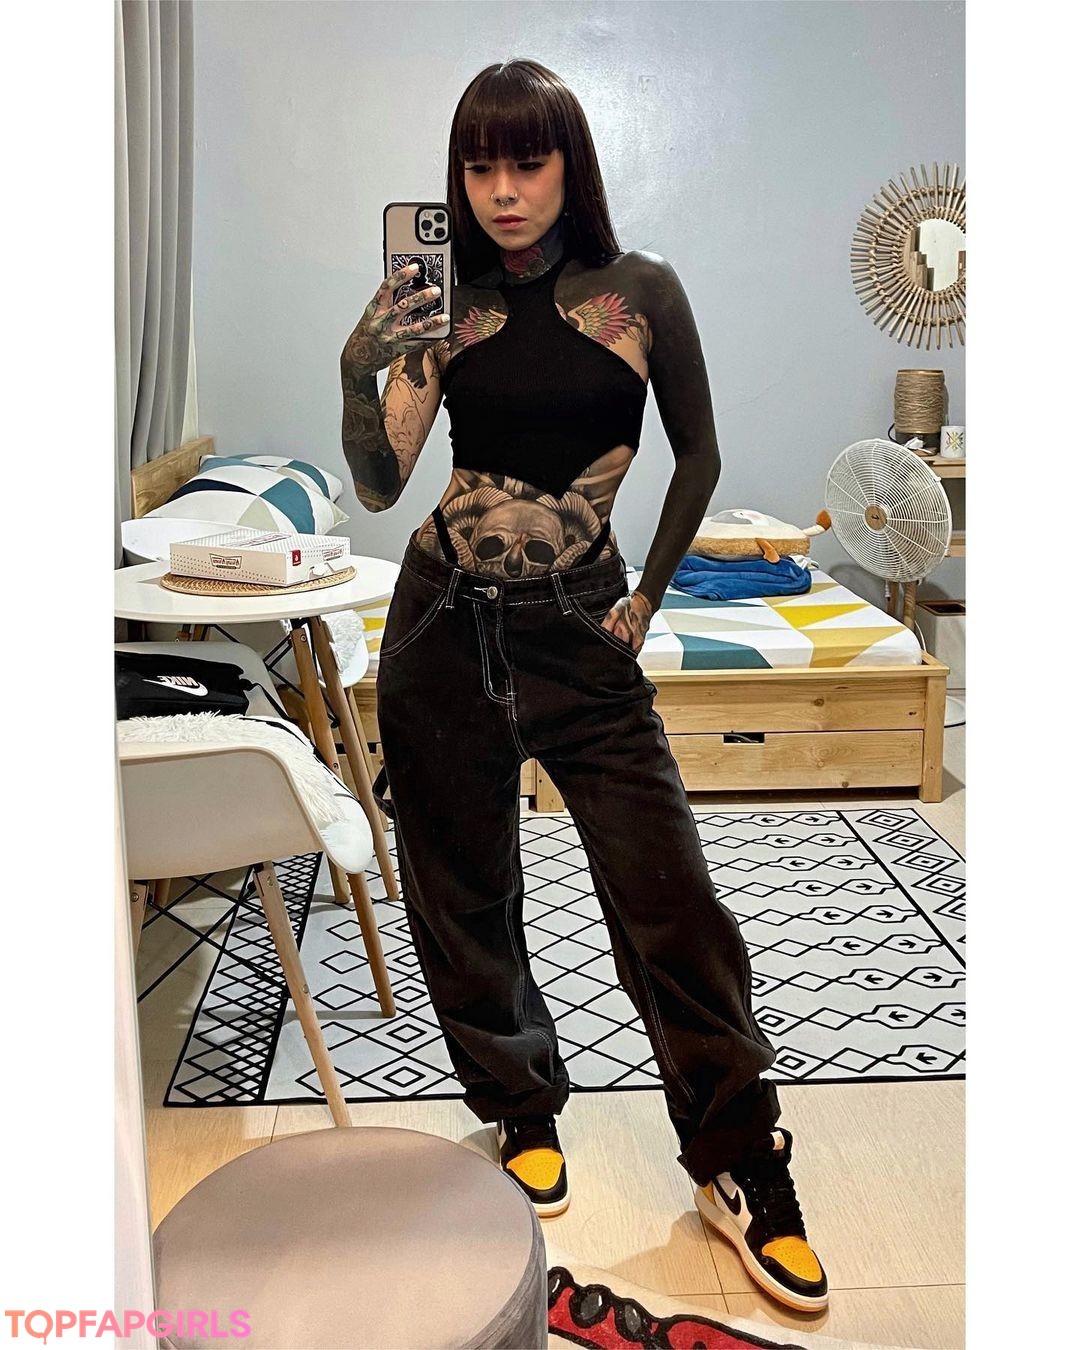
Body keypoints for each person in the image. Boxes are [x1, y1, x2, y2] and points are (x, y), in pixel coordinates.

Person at [339, 60, 827, 1314]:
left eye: (528, 161)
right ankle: (519, 1105)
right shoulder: (443, 304)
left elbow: (699, 452)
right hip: (443, 617)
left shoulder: (640, 292)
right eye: (479, 166)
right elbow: (384, 482)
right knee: (461, 882)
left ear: (571, 164)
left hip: (582, 624)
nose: (502, 191)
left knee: (670, 893)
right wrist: (359, 366)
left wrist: (651, 592)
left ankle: (737, 1154)